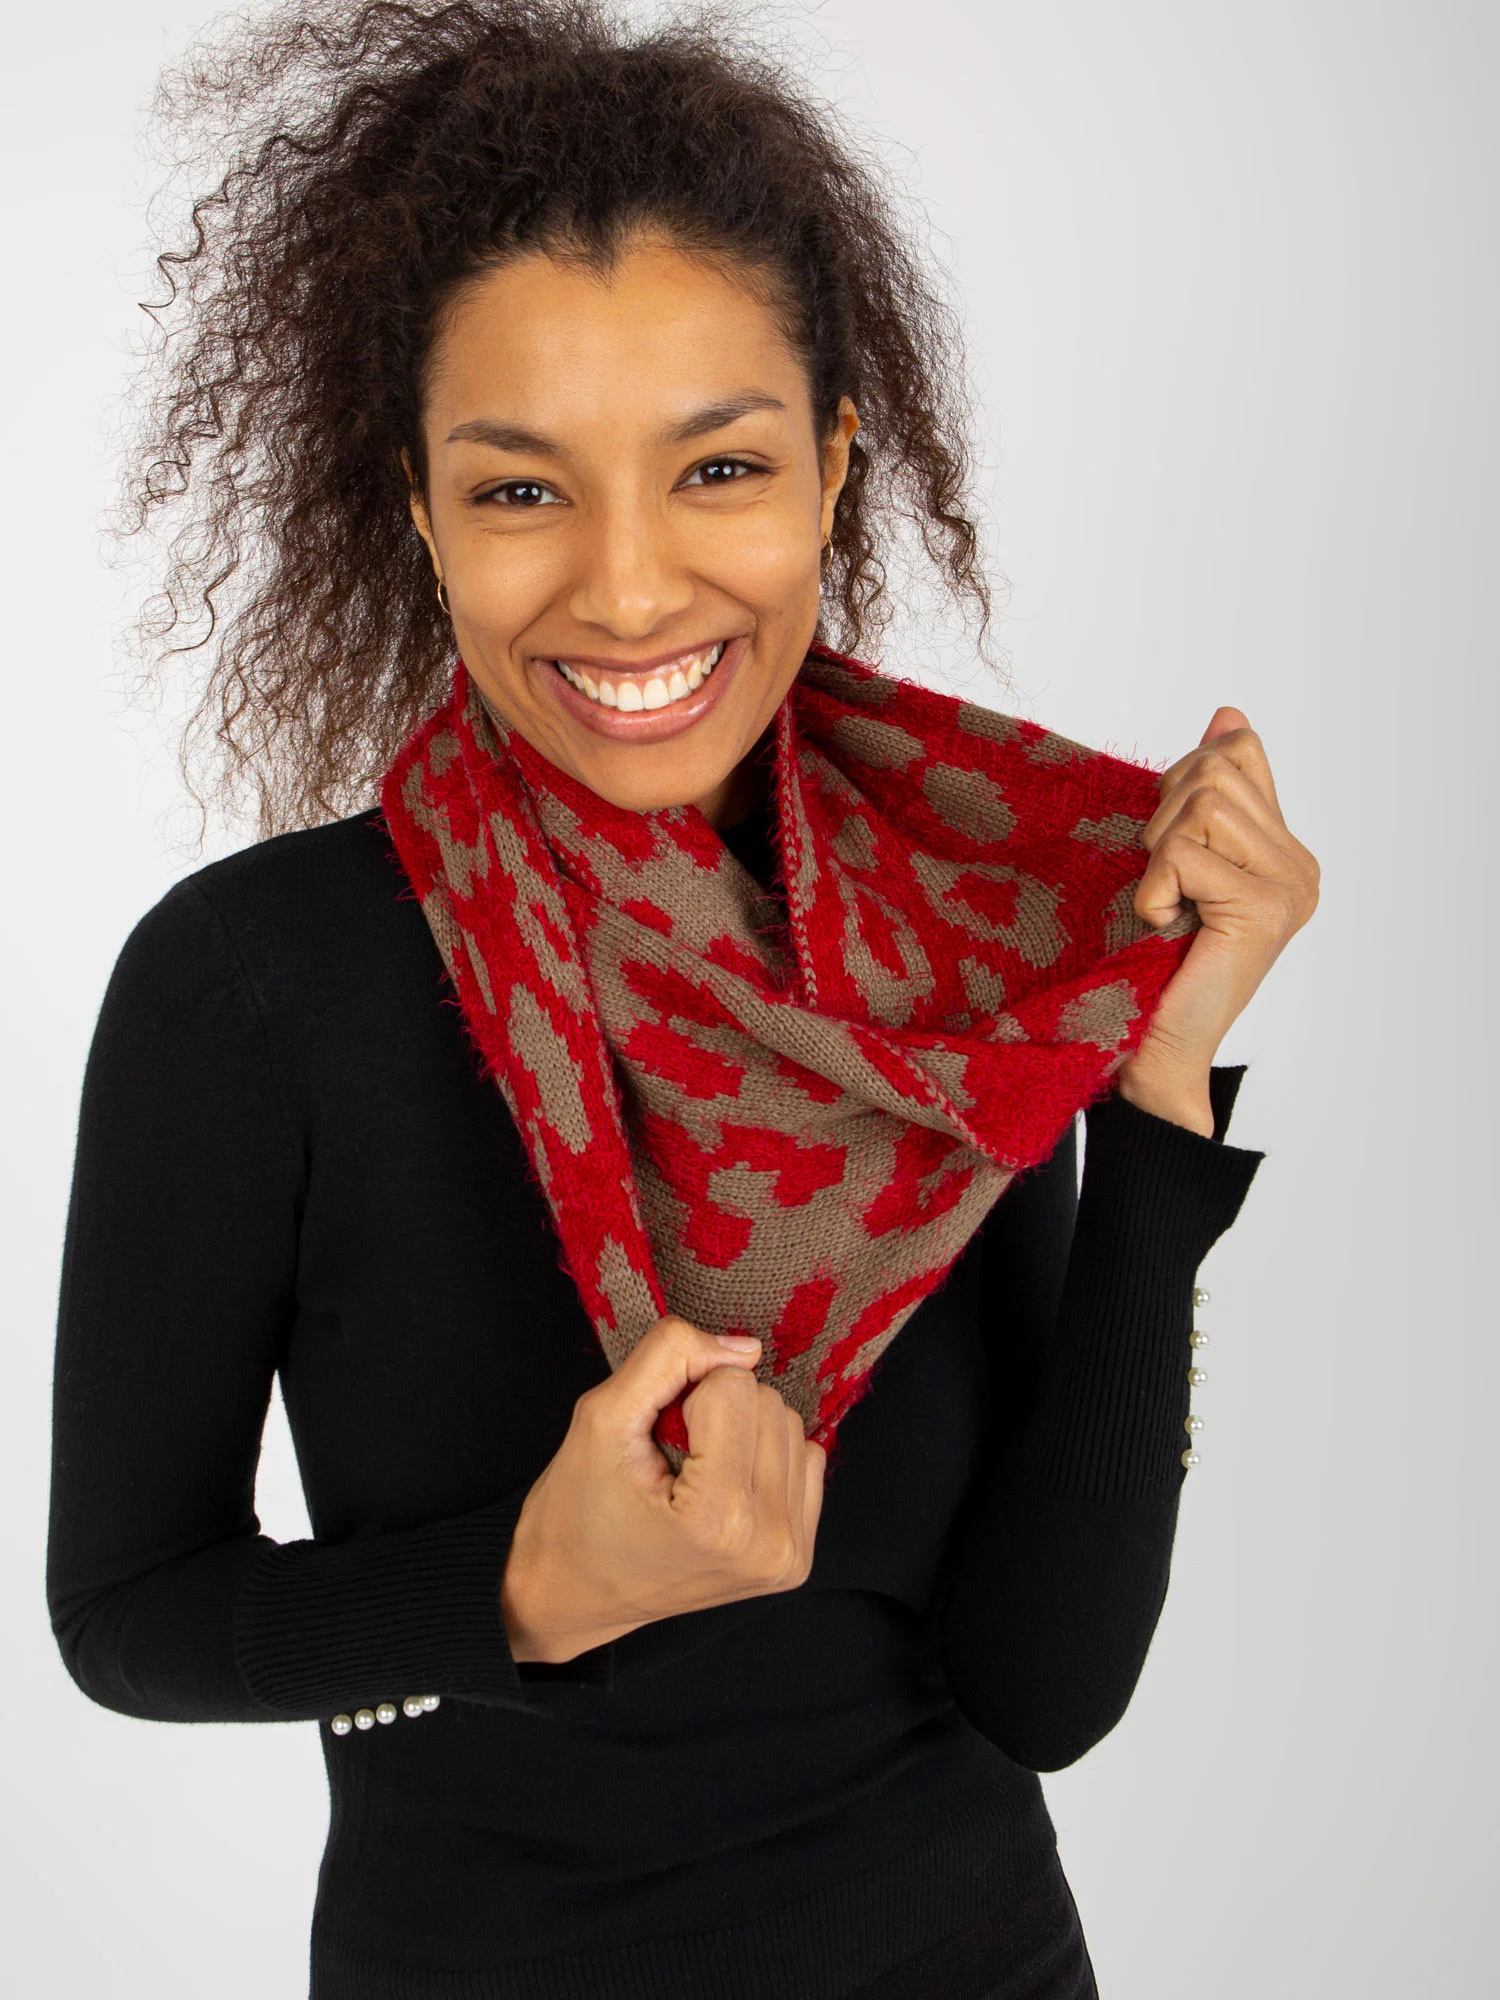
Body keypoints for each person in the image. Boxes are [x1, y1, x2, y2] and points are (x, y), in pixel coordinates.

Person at [46, 4, 1319, 1996]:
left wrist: (1152, 1089)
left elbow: (1044, 1687)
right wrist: (528, 1587)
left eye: (717, 466)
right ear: (417, 508)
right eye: (521, 491)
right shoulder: (254, 986)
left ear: (833, 468)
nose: (630, 591)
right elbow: (126, 1613)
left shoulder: (953, 954)